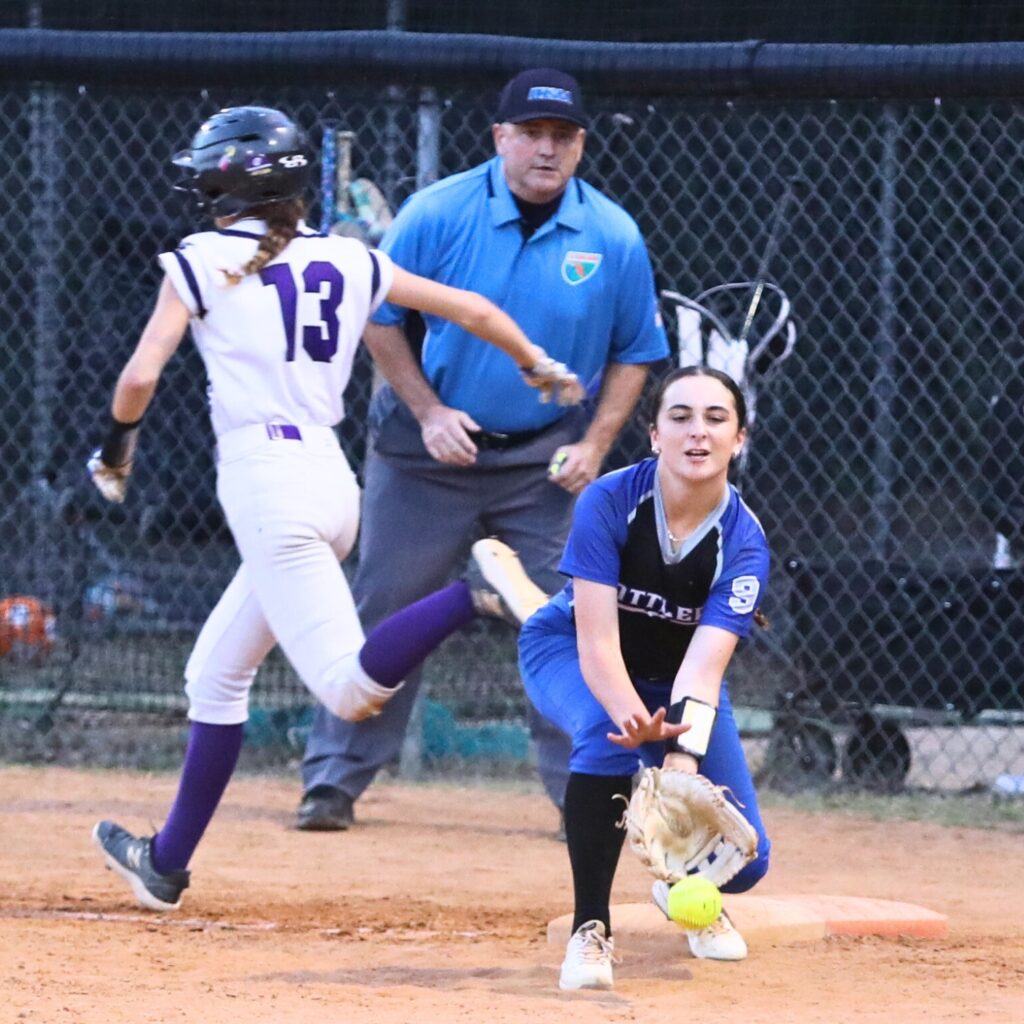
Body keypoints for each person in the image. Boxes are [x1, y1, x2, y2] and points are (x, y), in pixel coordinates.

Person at [86, 105, 579, 911]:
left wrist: (116, 447)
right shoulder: (348, 256)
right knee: (212, 676)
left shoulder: (204, 256)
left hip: (268, 483)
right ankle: (164, 864)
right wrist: (537, 362)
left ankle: (474, 593)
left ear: (231, 182)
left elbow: (141, 377)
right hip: (327, 476)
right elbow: (475, 311)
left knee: (351, 691)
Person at [298, 67, 669, 832]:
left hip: (545, 464)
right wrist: (430, 411)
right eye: (530, 132)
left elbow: (637, 350)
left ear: (581, 146)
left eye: (562, 136)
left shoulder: (612, 234)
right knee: (384, 608)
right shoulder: (439, 214)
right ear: (499, 138)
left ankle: (585, 790)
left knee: (569, 619)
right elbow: (378, 319)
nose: (546, 148)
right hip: (426, 456)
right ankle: (334, 780)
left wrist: (597, 442)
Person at [518, 366, 773, 990]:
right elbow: (598, 642)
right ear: (655, 434)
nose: (698, 432)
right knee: (607, 731)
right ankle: (591, 931)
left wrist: (680, 766)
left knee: (745, 861)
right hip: (571, 652)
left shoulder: (744, 544)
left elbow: (704, 669)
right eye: (680, 417)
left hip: (677, 681)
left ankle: (677, 894)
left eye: (717, 419)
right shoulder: (610, 500)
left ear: (739, 440)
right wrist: (637, 726)